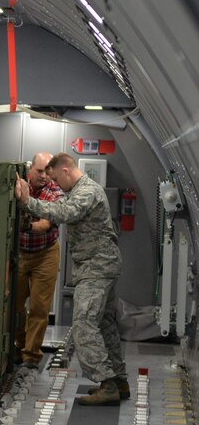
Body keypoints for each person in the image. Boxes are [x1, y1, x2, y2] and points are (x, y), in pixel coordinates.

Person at [14, 152, 128, 405]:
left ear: (65, 171)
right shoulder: (82, 189)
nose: (55, 184)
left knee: (84, 323)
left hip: (97, 267)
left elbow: (63, 212)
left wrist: (26, 201)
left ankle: (107, 383)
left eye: (55, 177)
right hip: (99, 265)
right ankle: (119, 380)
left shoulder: (87, 192)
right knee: (105, 323)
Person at [14, 152, 64, 369]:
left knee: (39, 307)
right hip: (19, 253)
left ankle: (31, 356)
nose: (44, 176)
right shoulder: (17, 183)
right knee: (14, 304)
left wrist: (26, 225)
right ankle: (19, 346)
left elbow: (45, 224)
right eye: (40, 171)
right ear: (30, 169)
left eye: (48, 171)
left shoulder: (55, 192)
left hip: (46, 253)